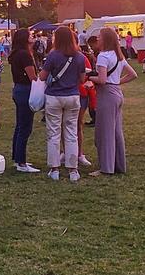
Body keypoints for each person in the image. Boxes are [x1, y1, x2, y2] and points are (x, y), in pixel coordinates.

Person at [39, 26, 87, 182]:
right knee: (71, 132)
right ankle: (73, 170)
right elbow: (82, 79)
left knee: (53, 133)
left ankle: (54, 170)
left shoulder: (53, 56)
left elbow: (42, 77)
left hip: (54, 96)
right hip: (73, 96)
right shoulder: (79, 57)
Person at [90, 27, 135, 176]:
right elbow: (132, 75)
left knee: (105, 133)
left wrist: (89, 77)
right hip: (116, 93)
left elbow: (102, 80)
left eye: (99, 37)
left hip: (106, 95)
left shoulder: (103, 56)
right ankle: (119, 165)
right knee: (116, 132)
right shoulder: (118, 56)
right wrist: (116, 82)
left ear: (105, 39)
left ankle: (106, 168)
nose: (97, 39)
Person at [7, 29, 39, 173]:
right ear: (25, 39)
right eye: (30, 35)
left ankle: (17, 157)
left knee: (20, 125)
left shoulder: (16, 54)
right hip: (26, 90)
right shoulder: (25, 55)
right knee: (25, 127)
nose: (33, 36)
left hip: (18, 89)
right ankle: (21, 162)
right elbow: (33, 76)